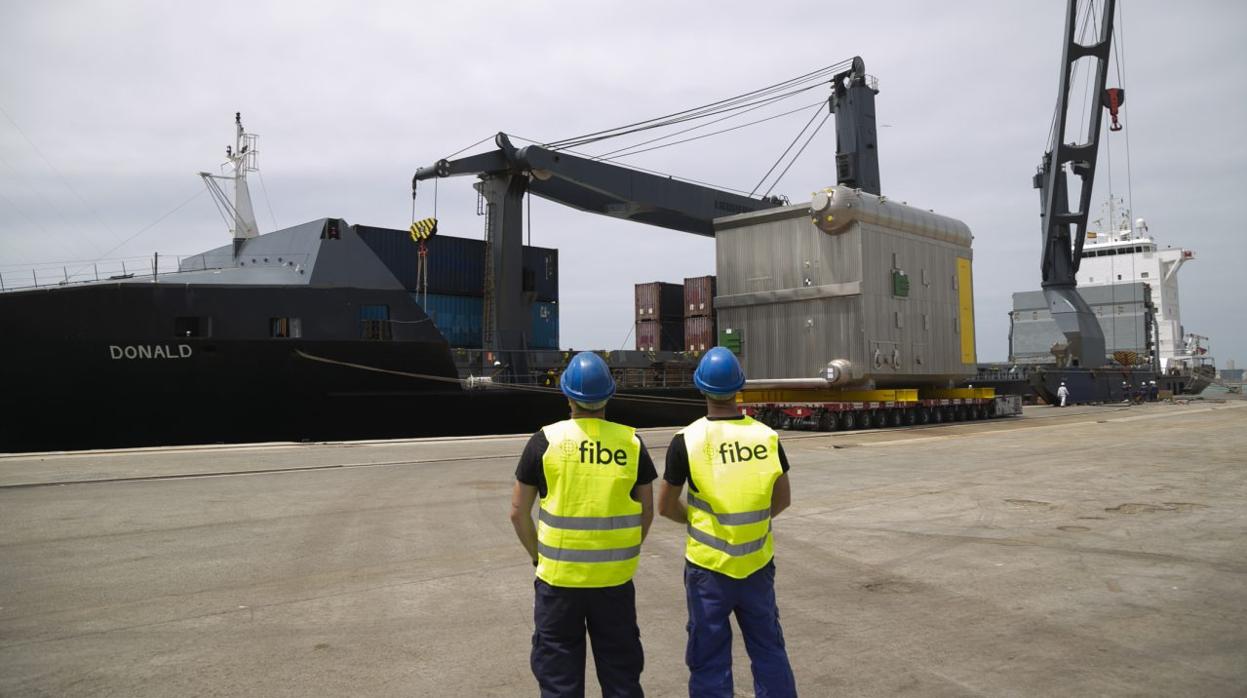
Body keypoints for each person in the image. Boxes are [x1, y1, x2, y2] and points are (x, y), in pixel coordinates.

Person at [510, 351, 656, 698]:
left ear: (567, 395)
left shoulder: (545, 441)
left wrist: (538, 557)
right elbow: (646, 511)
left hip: (558, 581)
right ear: (609, 394)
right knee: (622, 677)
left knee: (560, 680)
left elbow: (518, 512)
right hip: (614, 582)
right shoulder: (631, 443)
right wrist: (624, 552)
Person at [658, 347, 797, 697]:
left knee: (709, 656)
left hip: (708, 570)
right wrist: (752, 526)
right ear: (739, 387)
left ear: (700, 387)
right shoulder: (766, 437)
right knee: (768, 649)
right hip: (757, 565)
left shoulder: (686, 440)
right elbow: (783, 498)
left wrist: (695, 521)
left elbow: (664, 506)